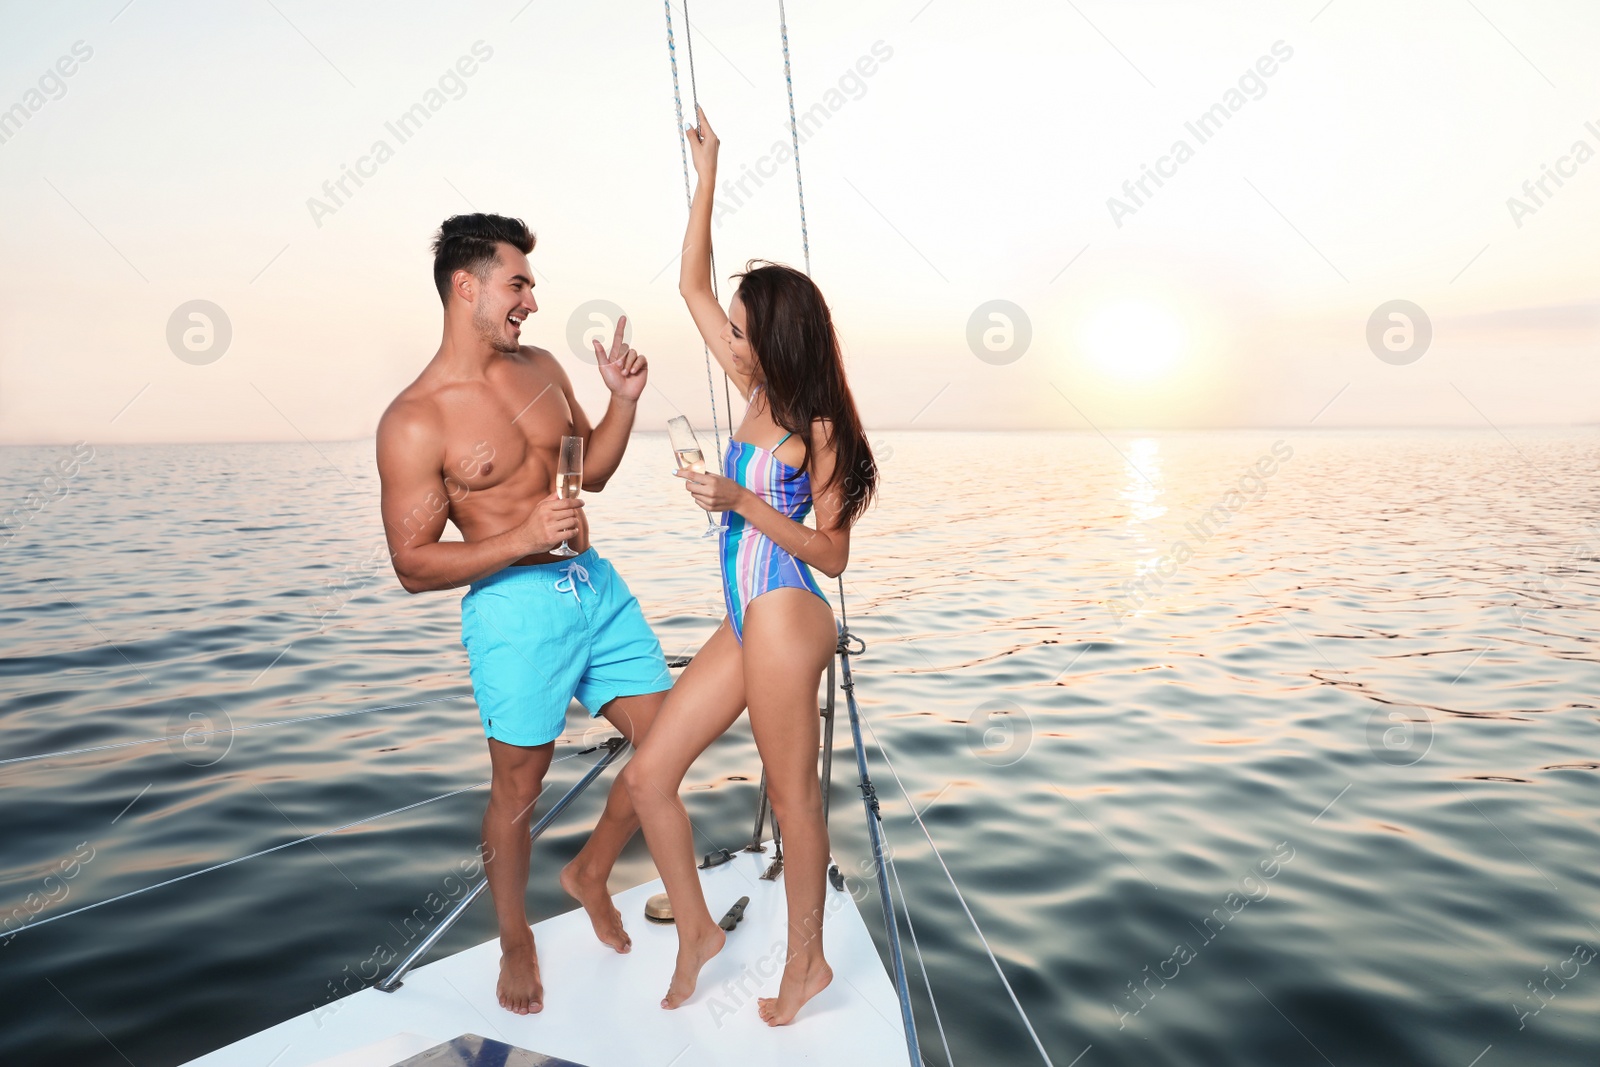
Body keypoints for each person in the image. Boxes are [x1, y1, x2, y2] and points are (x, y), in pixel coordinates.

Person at [375, 214, 671, 1015]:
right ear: (465, 287)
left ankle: (590, 870)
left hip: (594, 589)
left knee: (668, 739)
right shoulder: (416, 418)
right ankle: (516, 936)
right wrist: (517, 536)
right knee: (518, 788)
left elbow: (591, 472)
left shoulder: (540, 367)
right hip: (513, 610)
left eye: (532, 286)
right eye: (518, 283)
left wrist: (622, 402)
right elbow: (412, 562)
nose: (533, 303)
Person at [621, 107, 879, 1027]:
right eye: (731, 328)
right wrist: (709, 173)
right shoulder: (756, 389)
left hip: (787, 609)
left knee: (791, 795)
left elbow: (835, 551)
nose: (730, 335)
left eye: (742, 325)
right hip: (742, 616)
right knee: (651, 774)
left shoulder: (821, 425)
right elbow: (691, 281)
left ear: (780, 329)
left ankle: (805, 963)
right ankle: (700, 930)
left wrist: (744, 504)